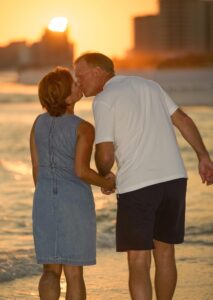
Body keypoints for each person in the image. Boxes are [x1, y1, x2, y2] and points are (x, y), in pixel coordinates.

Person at [74, 53, 213, 300]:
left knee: (138, 259)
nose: (78, 81)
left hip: (138, 185)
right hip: (174, 179)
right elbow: (182, 120)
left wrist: (105, 176)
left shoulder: (104, 100)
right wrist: (203, 156)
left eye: (80, 75)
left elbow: (105, 155)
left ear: (97, 72)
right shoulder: (149, 85)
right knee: (165, 252)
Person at [30, 67, 115, 300]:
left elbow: (36, 169)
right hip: (74, 203)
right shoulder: (84, 128)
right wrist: (107, 182)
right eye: (74, 84)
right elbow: (81, 171)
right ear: (67, 97)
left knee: (49, 269)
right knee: (74, 272)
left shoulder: (38, 123)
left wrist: (47, 195)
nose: (79, 84)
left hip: (44, 199)